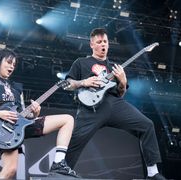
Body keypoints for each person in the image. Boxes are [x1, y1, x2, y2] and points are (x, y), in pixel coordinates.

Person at [65, 28, 167, 180]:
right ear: (92, 44)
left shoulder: (114, 67)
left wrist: (123, 81)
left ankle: (152, 173)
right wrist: (83, 82)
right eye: (99, 42)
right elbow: (67, 84)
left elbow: (120, 93)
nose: (103, 45)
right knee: (75, 140)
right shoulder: (81, 63)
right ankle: (60, 173)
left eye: (105, 41)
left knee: (147, 125)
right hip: (90, 109)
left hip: (114, 104)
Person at [0, 48, 79, 179]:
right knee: (10, 170)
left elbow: (24, 113)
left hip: (21, 124)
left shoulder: (17, 87)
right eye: (8, 62)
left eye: (14, 64)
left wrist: (34, 113)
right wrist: (0, 114)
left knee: (67, 119)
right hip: (5, 129)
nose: (12, 66)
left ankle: (58, 163)